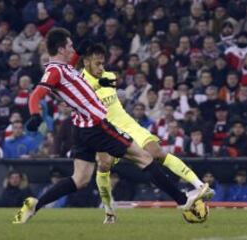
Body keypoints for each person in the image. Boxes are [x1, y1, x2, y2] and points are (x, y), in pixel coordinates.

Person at [13, 28, 208, 224]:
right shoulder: (54, 70)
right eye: (70, 46)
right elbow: (36, 94)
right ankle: (183, 201)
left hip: (82, 128)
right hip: (97, 126)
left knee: (80, 179)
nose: (73, 48)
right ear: (62, 48)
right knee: (145, 157)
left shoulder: (64, 67)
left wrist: (80, 53)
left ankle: (35, 205)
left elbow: (71, 79)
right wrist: (35, 115)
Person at [79, 43, 213, 223]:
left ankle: (199, 185)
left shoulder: (109, 76)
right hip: (105, 131)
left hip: (128, 124)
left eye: (103, 63)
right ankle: (109, 209)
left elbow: (112, 90)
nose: (102, 67)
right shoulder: (79, 83)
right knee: (104, 165)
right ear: (87, 62)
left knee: (156, 152)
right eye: (98, 63)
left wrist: (112, 89)